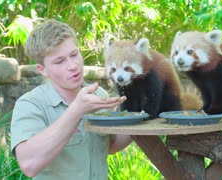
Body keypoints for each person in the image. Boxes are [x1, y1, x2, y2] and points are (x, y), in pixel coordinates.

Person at [10, 19, 132, 179]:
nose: (72, 65)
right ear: (43, 70)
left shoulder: (99, 95)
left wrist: (145, 116)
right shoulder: (30, 105)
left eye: (74, 54)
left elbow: (111, 145)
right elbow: (29, 164)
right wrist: (77, 110)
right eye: (60, 61)